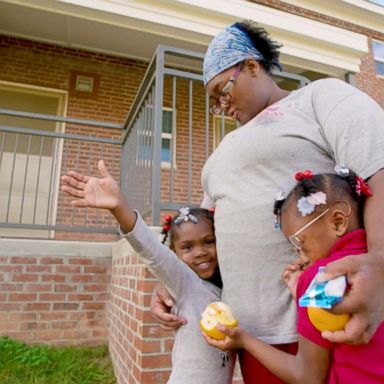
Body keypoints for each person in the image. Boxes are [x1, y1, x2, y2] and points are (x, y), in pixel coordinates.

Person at [150, 19, 384, 383]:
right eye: (214, 102)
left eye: (222, 91)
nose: (222, 105)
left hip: (325, 323)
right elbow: (207, 236)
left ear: (251, 66)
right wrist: (176, 282)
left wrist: (381, 263)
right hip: (252, 337)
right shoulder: (220, 153)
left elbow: (378, 171)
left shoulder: (320, 97)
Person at [60, 160, 235, 384]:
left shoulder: (226, 287)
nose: (200, 252)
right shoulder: (185, 282)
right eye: (187, 247)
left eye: (209, 242)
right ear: (174, 253)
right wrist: (119, 207)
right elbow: (152, 252)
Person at [203, 168, 384, 384]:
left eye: (299, 243)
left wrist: (244, 340)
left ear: (337, 222)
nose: (301, 256)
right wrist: (301, 293)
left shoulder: (321, 279)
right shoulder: (375, 267)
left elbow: (307, 376)